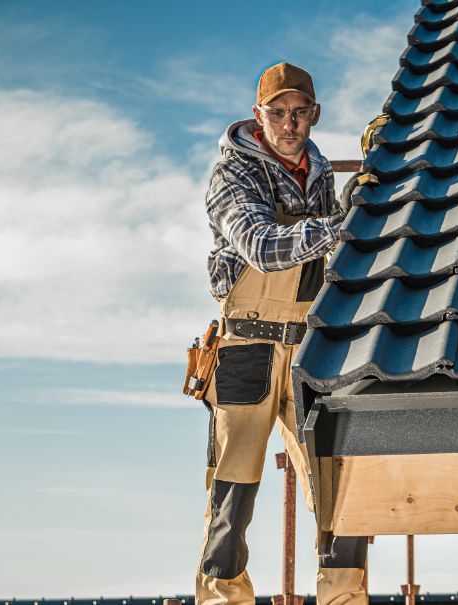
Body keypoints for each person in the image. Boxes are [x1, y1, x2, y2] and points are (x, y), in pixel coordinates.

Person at [196, 61, 366, 605]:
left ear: (314, 114)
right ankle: (225, 598)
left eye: (298, 113)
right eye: (277, 113)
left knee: (339, 486)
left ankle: (344, 598)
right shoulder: (232, 173)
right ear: (258, 115)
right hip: (246, 345)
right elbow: (263, 248)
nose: (288, 124)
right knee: (233, 493)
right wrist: (345, 223)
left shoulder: (321, 175)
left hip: (310, 345)